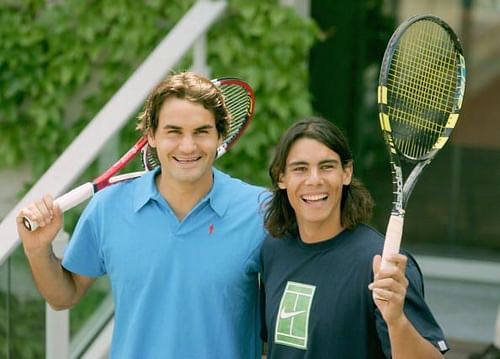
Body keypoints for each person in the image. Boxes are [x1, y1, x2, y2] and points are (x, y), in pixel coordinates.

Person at [16, 71, 267, 358]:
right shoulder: (107, 208)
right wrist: (37, 249)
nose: (188, 146)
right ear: (151, 136)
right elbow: (64, 296)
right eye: (174, 132)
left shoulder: (260, 210)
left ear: (220, 136)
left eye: (202, 132)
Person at [260, 116, 449, 358]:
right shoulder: (274, 250)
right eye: (300, 168)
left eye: (327, 166)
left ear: (346, 173)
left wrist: (396, 320)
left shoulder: (383, 265)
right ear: (281, 177)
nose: (314, 180)